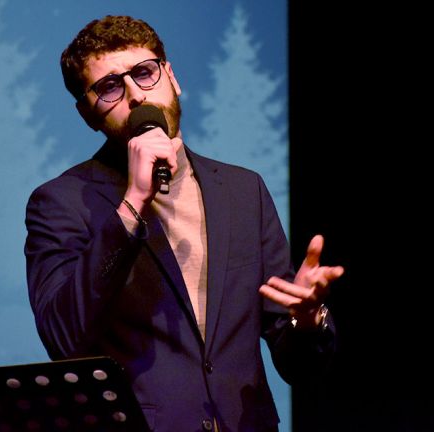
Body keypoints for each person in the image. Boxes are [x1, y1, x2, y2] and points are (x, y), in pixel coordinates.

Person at [24, 15, 344, 432]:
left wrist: (306, 319)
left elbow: (297, 364)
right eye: (110, 87)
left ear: (171, 77)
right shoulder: (61, 202)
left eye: (144, 73)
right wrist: (133, 203)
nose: (136, 95)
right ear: (88, 113)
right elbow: (63, 339)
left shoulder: (243, 190)